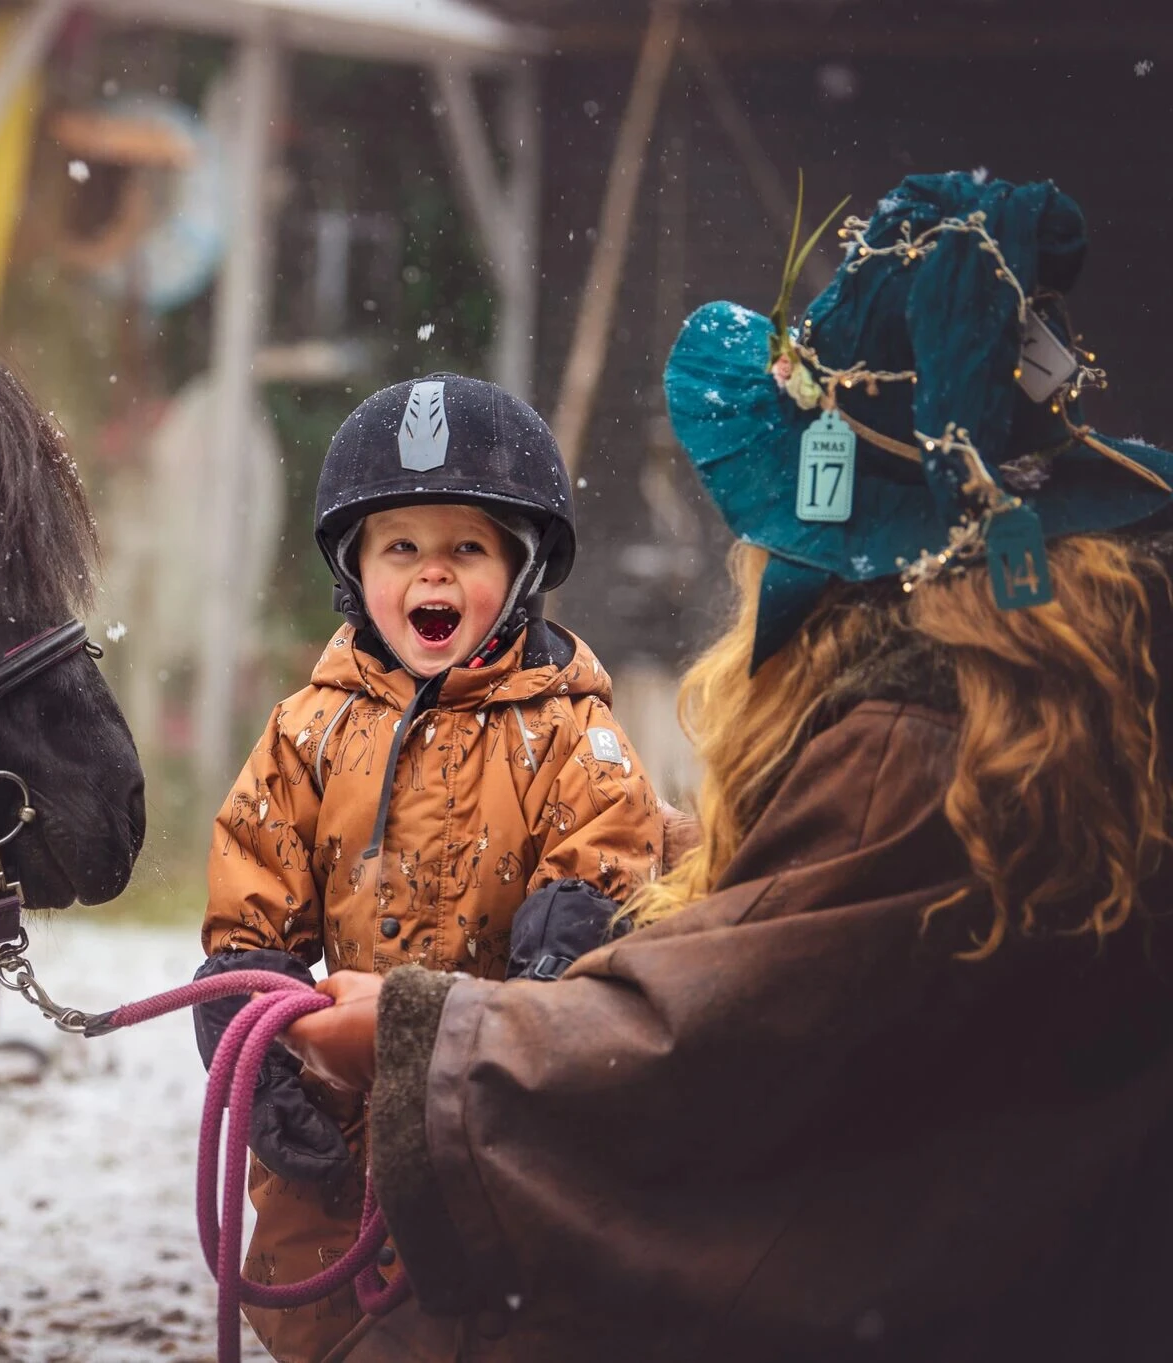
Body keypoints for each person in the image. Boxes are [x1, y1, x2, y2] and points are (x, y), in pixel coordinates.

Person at [282, 171, 1173, 1362]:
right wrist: (652, 849)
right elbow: (821, 912)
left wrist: (419, 1040)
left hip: (925, 1289)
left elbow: (700, 1044)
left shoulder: (918, 743)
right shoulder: (1069, 698)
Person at [194, 375, 667, 1361]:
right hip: (344, 1126)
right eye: (400, 547)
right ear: (355, 568)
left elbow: (594, 900)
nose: (430, 573)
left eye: (466, 548)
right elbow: (250, 909)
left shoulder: (574, 740)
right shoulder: (305, 733)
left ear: (522, 568)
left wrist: (519, 1037)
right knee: (331, 1327)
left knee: (513, 1324)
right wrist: (257, 1059)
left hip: (500, 1120)